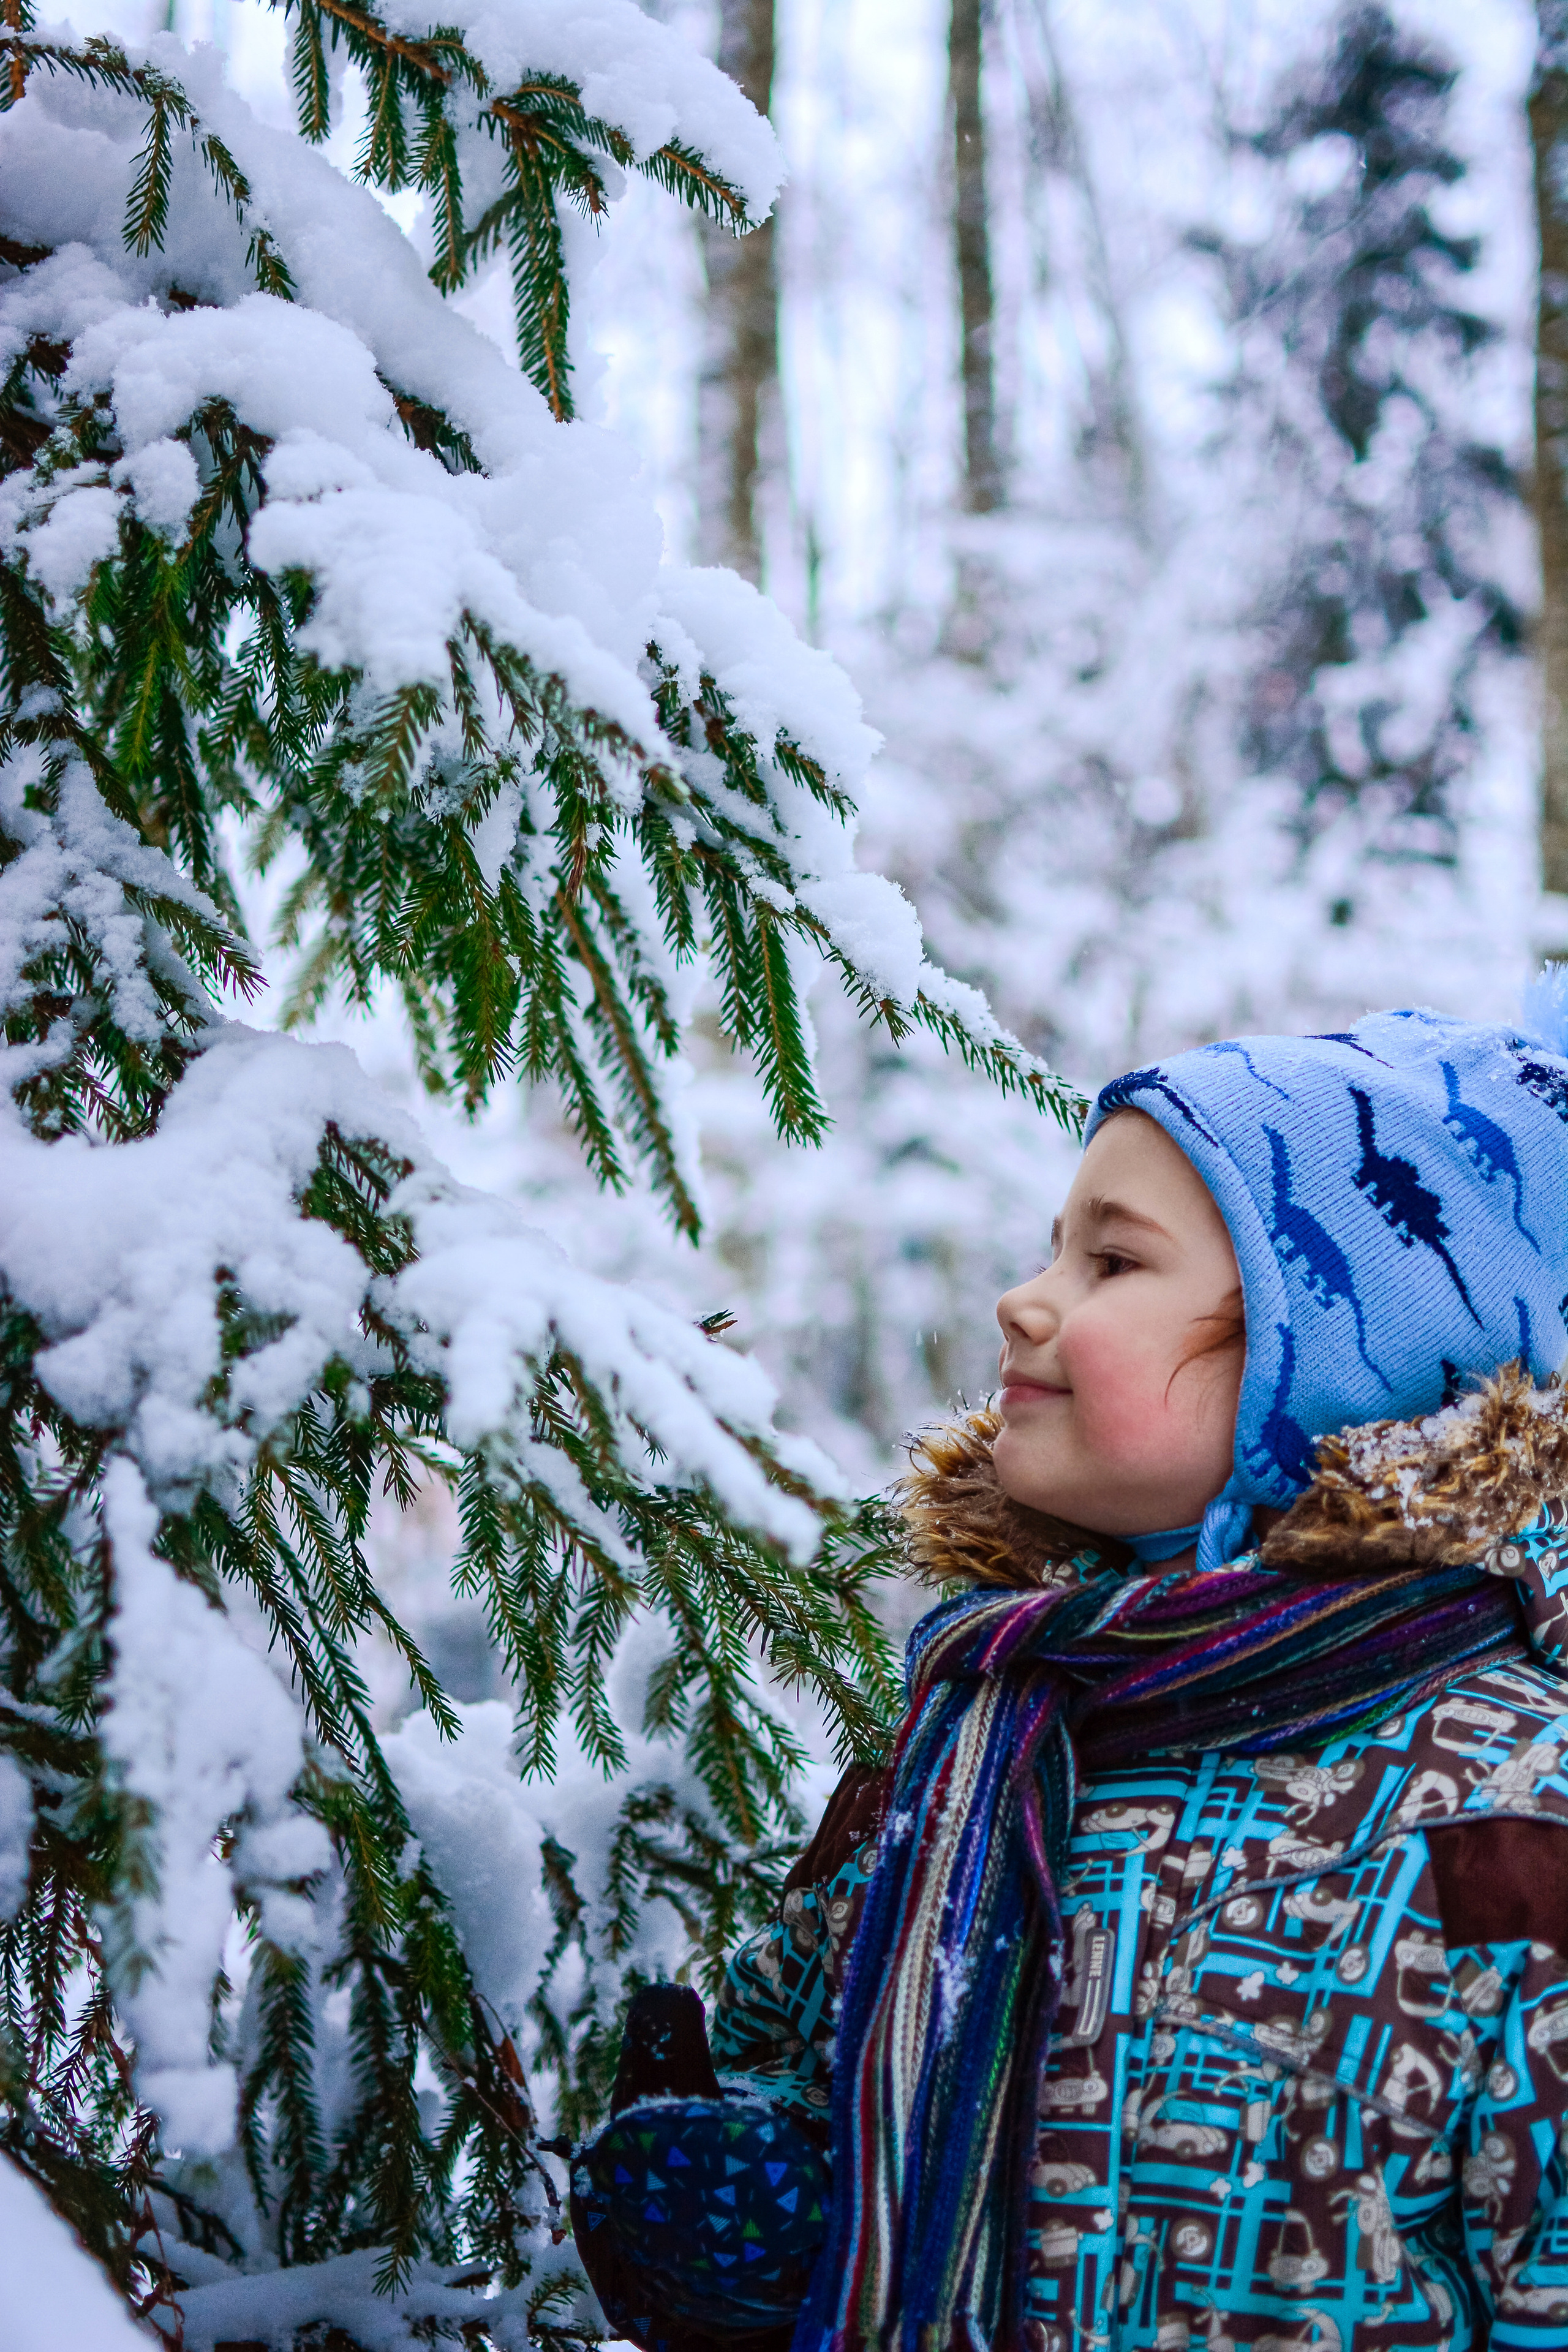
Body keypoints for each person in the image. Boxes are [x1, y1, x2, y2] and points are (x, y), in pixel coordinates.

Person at [571, 1004, 1568, 2352]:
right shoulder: (979, 1723)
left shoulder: (1508, 1814)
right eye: (1054, 1247)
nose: (1023, 1298)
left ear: (1330, 1353)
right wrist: (748, 2222)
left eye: (1111, 1261)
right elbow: (810, 2074)